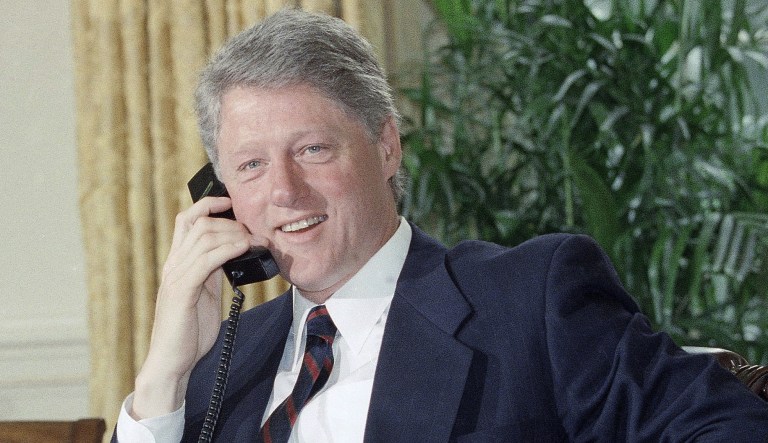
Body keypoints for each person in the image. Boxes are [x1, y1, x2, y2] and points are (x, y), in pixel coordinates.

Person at [114, 8, 768, 442]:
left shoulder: (529, 301)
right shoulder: (215, 364)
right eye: (251, 165)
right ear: (221, 193)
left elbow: (727, 426)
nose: (284, 190)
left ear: (387, 146)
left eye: (313, 149)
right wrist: (163, 376)